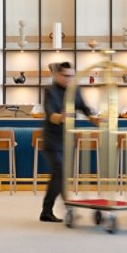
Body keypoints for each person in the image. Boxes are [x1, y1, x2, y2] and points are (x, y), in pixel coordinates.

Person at [40, 62, 96, 223]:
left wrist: (95, 118)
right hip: (51, 140)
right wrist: (60, 117)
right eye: (65, 76)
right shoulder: (49, 91)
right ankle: (61, 209)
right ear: (57, 75)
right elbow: (50, 112)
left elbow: (84, 108)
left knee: (58, 176)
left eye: (72, 76)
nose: (69, 79)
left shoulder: (75, 90)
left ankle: (50, 211)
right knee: (61, 173)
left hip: (66, 140)